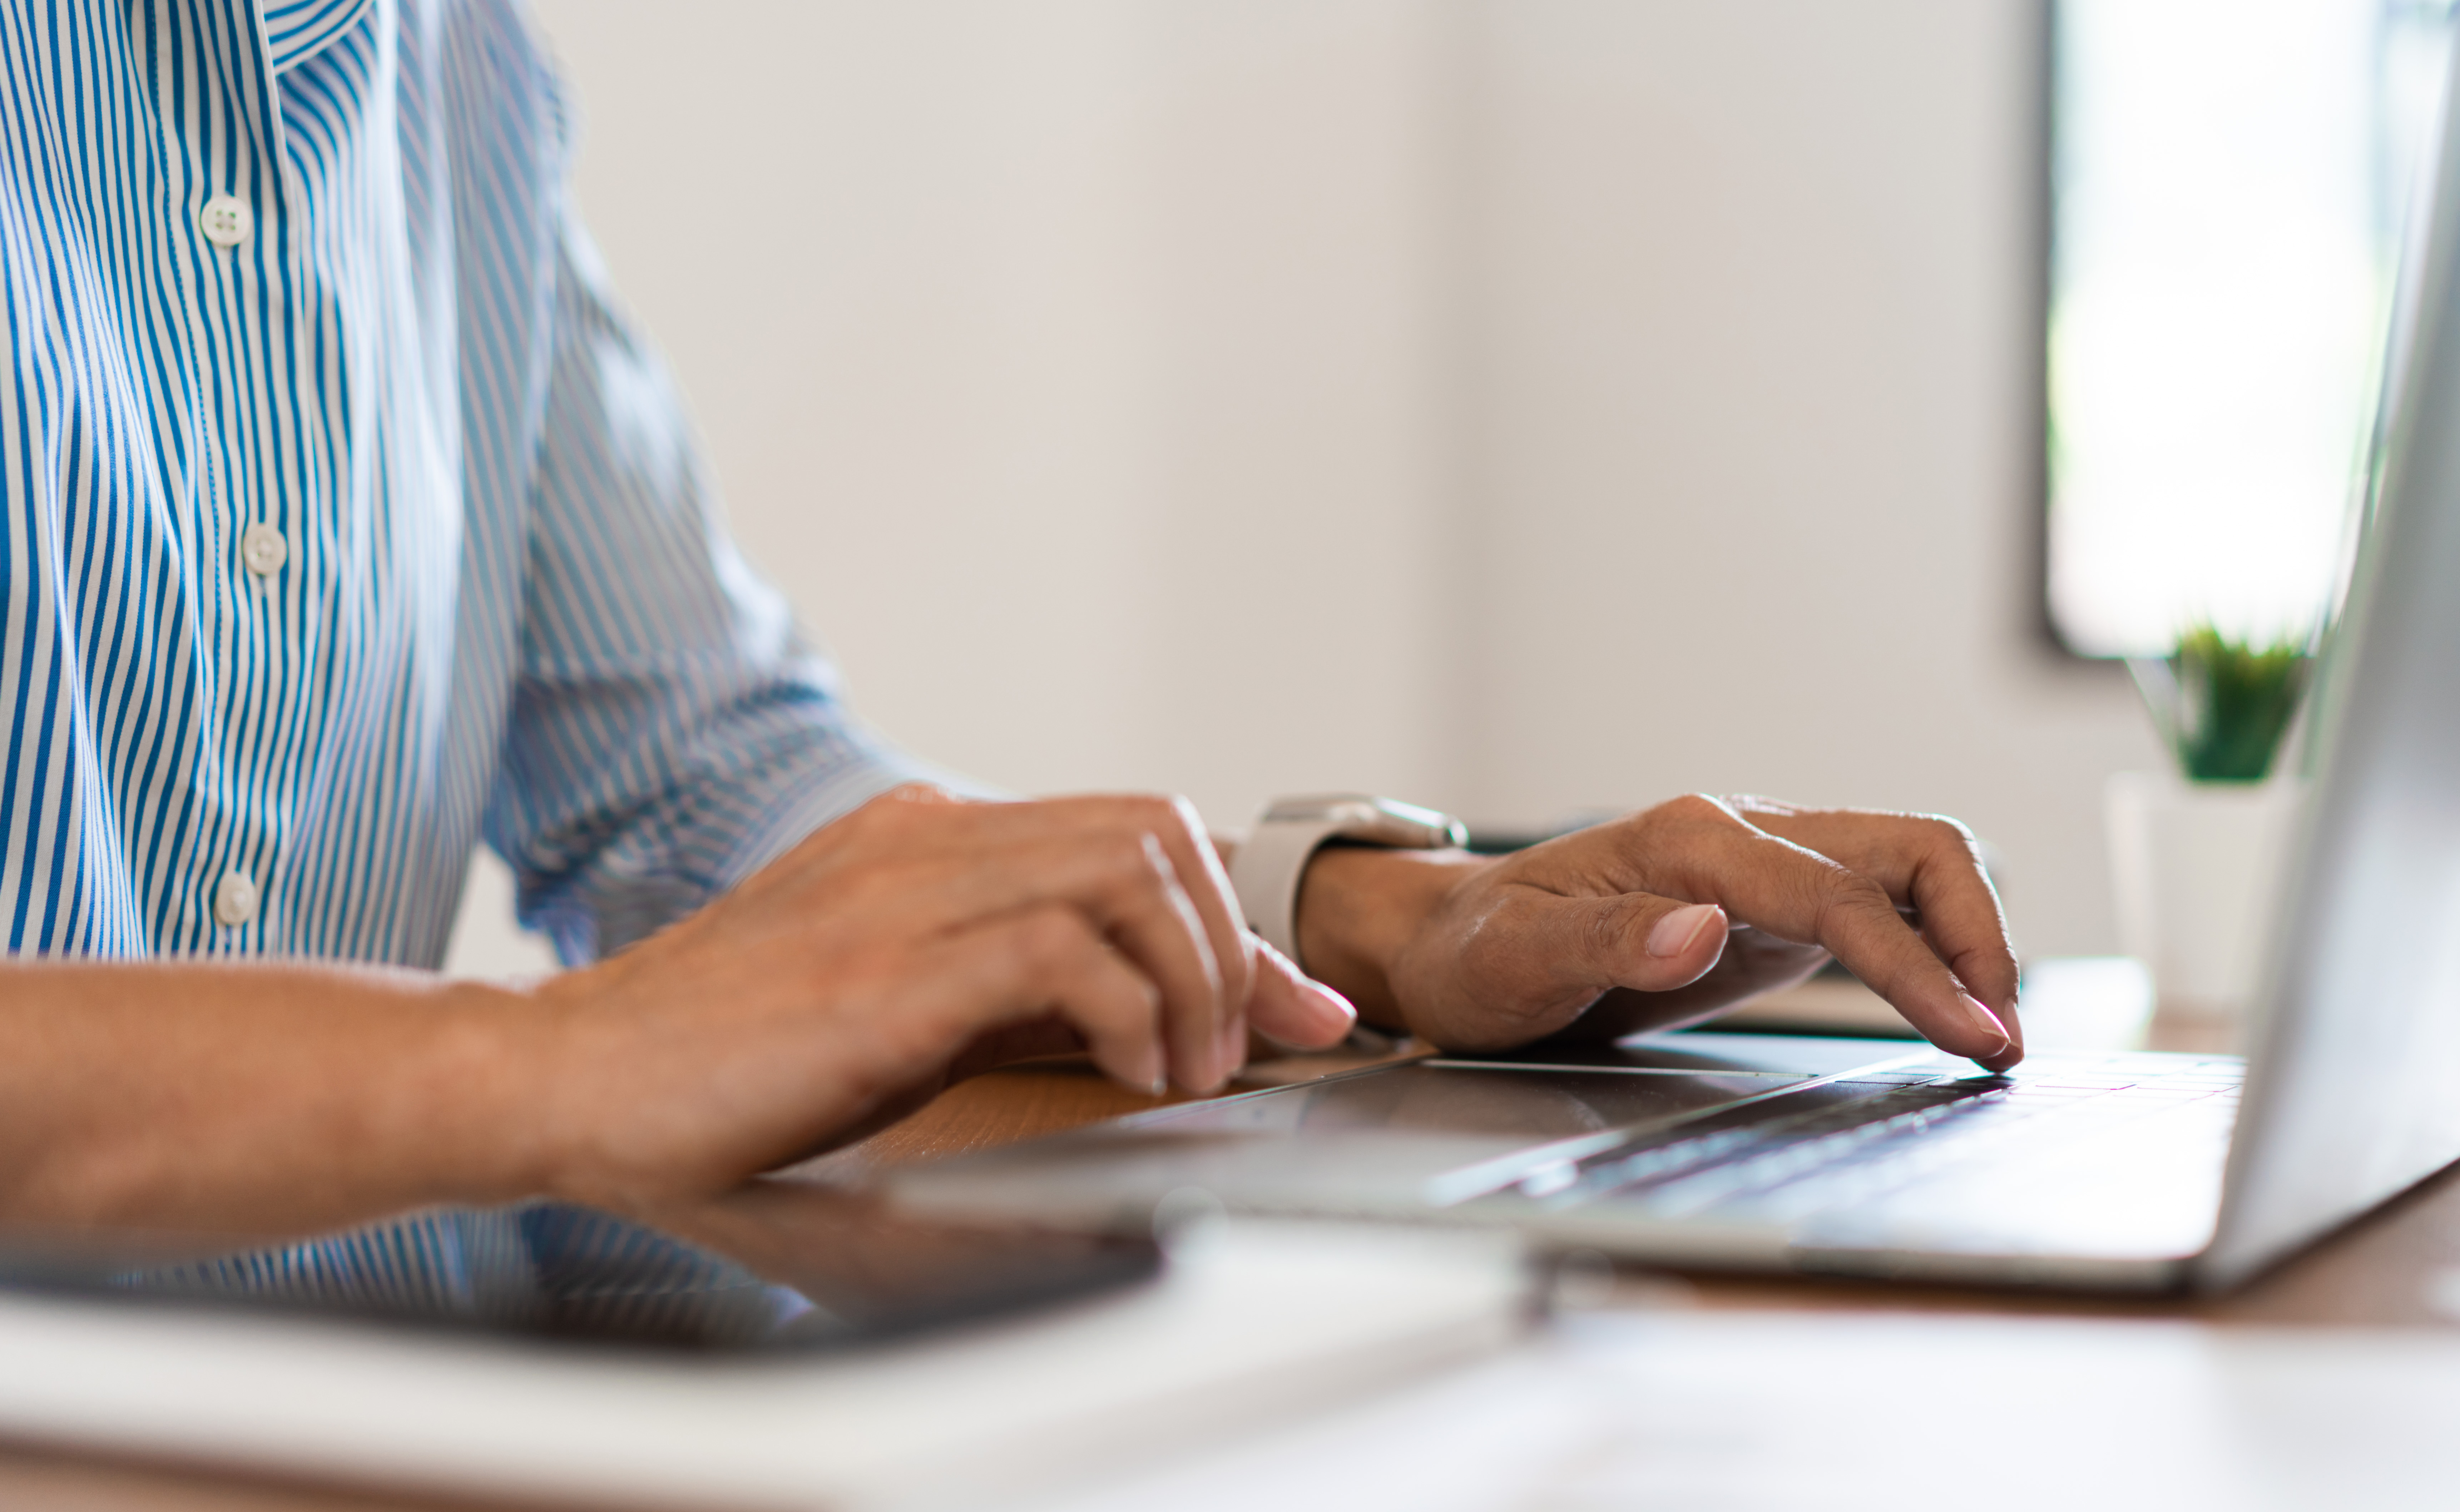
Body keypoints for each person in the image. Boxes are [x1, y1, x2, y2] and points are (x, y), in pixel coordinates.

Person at [0, 0, 2020, 1240]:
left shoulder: (462, 72)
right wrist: (536, 1070)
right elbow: (635, 1013)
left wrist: (1366, 923)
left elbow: (692, 777)